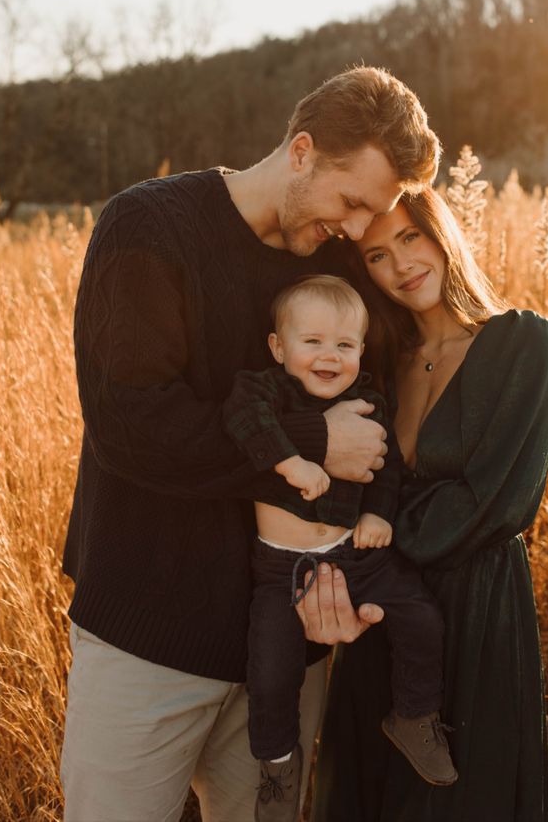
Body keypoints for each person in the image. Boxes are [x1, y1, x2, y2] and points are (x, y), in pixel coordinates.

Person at [59, 66, 441, 822]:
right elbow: (130, 425)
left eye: (377, 212)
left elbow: (373, 422)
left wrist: (346, 577)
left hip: (287, 644)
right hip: (147, 641)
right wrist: (310, 440)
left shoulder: (336, 266)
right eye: (353, 201)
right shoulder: (148, 225)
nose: (361, 229)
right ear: (301, 150)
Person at [308, 186, 548, 822]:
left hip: (477, 604)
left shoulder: (521, 344)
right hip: (381, 608)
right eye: (375, 257)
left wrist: (376, 536)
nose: (400, 266)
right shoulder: (377, 361)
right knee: (372, 788)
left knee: (463, 796)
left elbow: (497, 501)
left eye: (409, 238)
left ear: (440, 232)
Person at [223, 275, 456, 822]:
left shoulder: (366, 400)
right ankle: (278, 766)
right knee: (273, 672)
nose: (330, 356)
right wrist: (295, 458)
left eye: (345, 345)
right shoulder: (266, 391)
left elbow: (386, 468)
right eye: (313, 342)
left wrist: (376, 512)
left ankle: (415, 715)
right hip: (283, 572)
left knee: (421, 617)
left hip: (358, 558)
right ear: (279, 348)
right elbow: (241, 418)